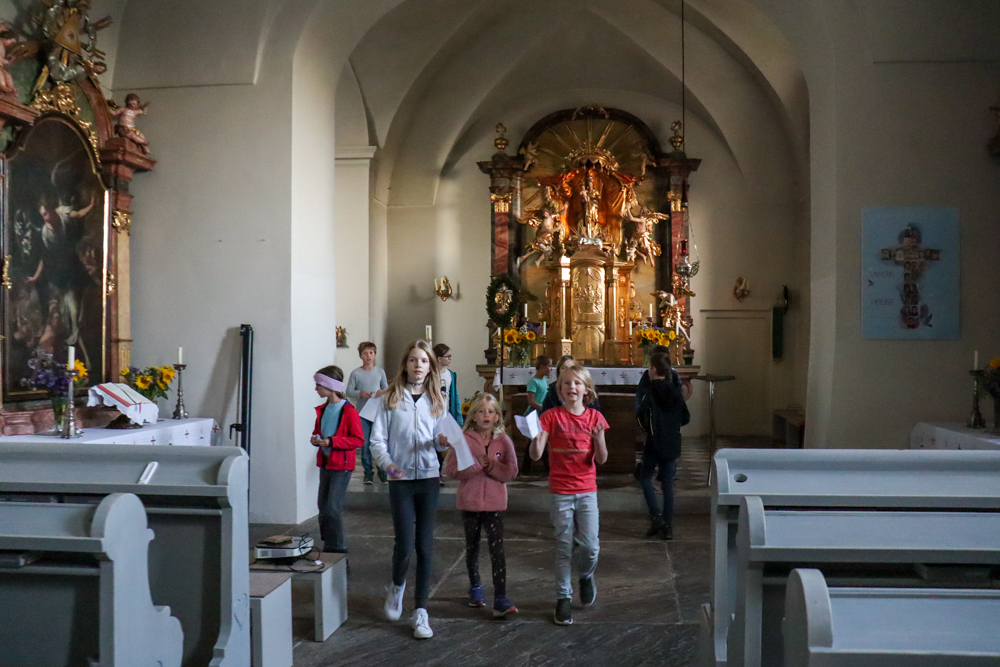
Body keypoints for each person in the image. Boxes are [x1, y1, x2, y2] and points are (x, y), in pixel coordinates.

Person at [369, 340, 449, 640]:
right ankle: (397, 585)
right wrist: (388, 464)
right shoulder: (390, 397)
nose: (418, 366)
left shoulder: (436, 399)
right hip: (400, 479)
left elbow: (438, 437)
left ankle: (421, 611)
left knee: (425, 545)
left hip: (428, 478)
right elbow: (377, 440)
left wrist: (442, 442)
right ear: (405, 364)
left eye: (424, 361)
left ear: (430, 367)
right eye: (414, 360)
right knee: (404, 543)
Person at [530, 365, 609, 626]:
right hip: (560, 491)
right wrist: (535, 439)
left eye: (577, 383)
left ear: (586, 389)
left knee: (591, 546)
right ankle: (563, 597)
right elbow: (536, 455)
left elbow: (602, 459)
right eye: (566, 383)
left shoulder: (595, 417)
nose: (571, 387)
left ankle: (586, 575)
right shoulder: (550, 417)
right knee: (564, 547)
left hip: (586, 490)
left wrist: (599, 439)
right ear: (559, 389)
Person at [443, 393, 519, 618]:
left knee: (497, 550)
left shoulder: (504, 441)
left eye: (490, 411)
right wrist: (476, 465)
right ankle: (475, 587)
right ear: (473, 416)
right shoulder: (464, 440)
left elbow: (511, 471)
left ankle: (501, 598)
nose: (486, 415)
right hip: (470, 503)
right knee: (472, 547)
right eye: (481, 411)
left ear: (497, 417)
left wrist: (493, 466)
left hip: (495, 504)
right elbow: (451, 470)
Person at [634, 352, 689, 540]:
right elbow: (686, 417)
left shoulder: (650, 392)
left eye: (650, 367)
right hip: (672, 442)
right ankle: (668, 526)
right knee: (667, 484)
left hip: (654, 441)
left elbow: (641, 417)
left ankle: (656, 518)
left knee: (645, 478)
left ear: (654, 369)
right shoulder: (676, 391)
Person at [310, 365, 364, 554]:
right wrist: (316, 438)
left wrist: (331, 441)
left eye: (318, 385)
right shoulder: (323, 409)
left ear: (330, 386)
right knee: (323, 506)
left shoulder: (349, 411)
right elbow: (320, 431)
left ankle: (338, 548)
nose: (316, 388)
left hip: (341, 466)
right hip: (326, 464)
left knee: (333, 507)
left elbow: (358, 439)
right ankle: (329, 544)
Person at [345, 342, 389, 484]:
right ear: (360, 356)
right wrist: (360, 393)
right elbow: (349, 391)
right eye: (365, 353)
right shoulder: (356, 373)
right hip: (362, 413)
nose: (368, 356)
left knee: (380, 442)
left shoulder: (380, 372)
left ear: (375, 355)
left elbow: (387, 389)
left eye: (371, 353)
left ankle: (382, 470)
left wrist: (382, 392)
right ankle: (368, 472)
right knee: (365, 444)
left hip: (378, 412)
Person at [433, 343, 463, 425]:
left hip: (446, 415)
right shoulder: (430, 375)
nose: (450, 359)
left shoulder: (450, 375)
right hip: (433, 414)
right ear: (439, 358)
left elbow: (455, 397)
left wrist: (459, 420)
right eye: (448, 356)